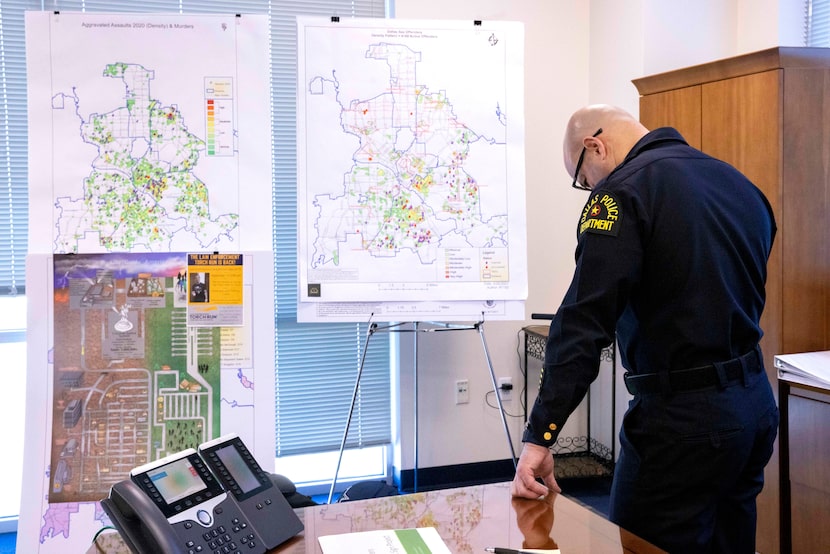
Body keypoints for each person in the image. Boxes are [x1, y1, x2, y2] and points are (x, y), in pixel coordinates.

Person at [511, 104, 779, 554]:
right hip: (753, 407)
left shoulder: (621, 195)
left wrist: (541, 435)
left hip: (680, 424)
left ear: (595, 146)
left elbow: (582, 325)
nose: (590, 188)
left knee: (642, 545)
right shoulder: (738, 183)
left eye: (583, 179)